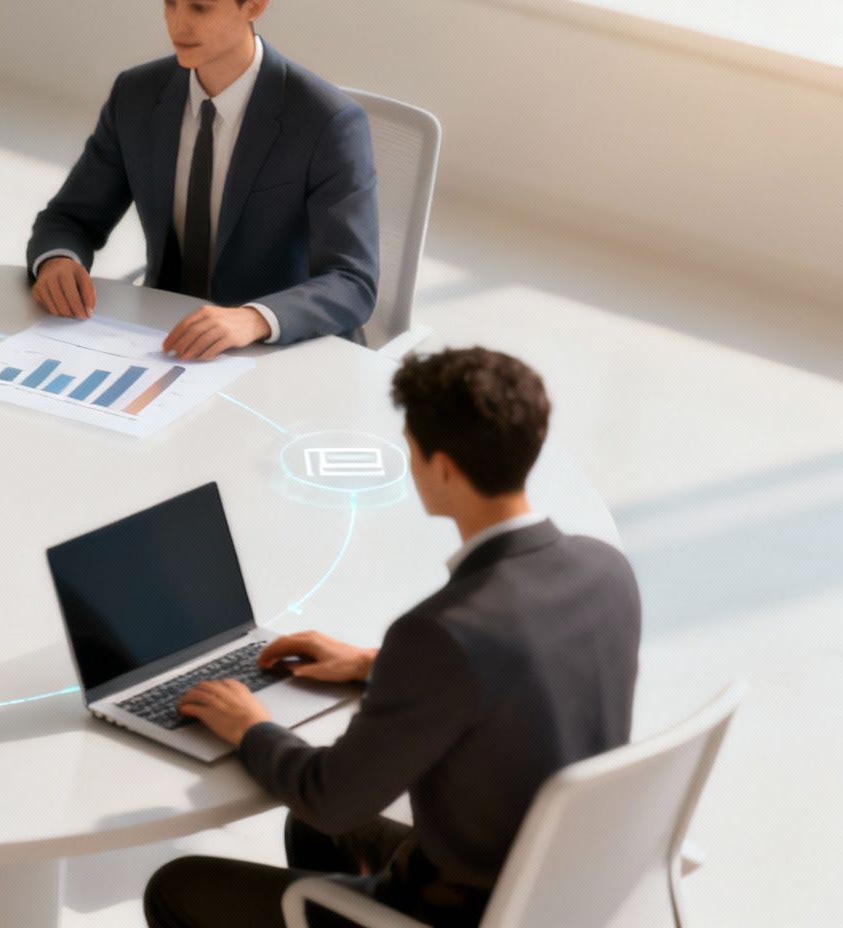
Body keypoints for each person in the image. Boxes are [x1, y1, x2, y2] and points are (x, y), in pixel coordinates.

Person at [144, 348, 641, 928]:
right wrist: (370, 664)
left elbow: (331, 797)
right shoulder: (606, 568)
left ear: (444, 468)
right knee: (309, 830)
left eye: (410, 450)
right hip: (556, 882)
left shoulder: (440, 633)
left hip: (461, 909)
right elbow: (521, 671)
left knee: (177, 886)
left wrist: (248, 726)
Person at [26, 0, 379, 360]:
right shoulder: (136, 95)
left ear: (255, 5)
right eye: (169, 1)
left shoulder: (327, 123)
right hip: (166, 340)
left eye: (199, 6)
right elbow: (71, 218)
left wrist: (252, 318)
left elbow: (352, 281)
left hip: (278, 351)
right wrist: (59, 259)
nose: (178, 24)